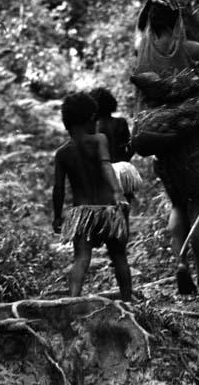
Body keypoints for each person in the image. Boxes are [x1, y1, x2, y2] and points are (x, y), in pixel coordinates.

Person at [133, 0, 199, 297]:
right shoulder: (194, 51)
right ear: (177, 19)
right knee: (198, 204)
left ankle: (180, 264)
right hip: (196, 140)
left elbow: (143, 99)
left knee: (176, 203)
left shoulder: (141, 52)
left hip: (162, 141)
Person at [52, 92, 132, 301]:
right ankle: (127, 301)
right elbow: (105, 164)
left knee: (81, 258)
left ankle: (71, 301)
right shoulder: (99, 140)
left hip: (82, 213)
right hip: (108, 211)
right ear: (90, 119)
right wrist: (117, 192)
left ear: (67, 124)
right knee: (119, 257)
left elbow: (58, 188)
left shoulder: (62, 153)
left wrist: (57, 216)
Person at [90, 86, 142, 204]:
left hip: (104, 175)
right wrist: (124, 162)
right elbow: (131, 147)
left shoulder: (93, 128)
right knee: (124, 211)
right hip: (124, 171)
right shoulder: (121, 123)